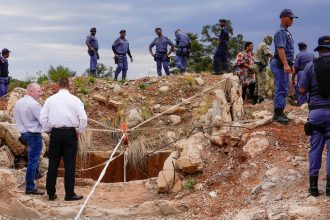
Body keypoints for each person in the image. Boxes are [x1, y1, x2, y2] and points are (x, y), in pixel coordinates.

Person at [40, 77, 87, 201]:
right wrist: (79, 131)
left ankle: (51, 194)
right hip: (70, 134)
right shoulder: (75, 100)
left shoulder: (50, 100)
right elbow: (83, 118)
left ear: (58, 85)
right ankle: (69, 194)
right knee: (70, 165)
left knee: (53, 164)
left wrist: (48, 131)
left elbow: (43, 118)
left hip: (55, 133)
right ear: (68, 86)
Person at [298, 35, 330, 197]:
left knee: (316, 148)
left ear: (319, 50)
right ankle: (329, 188)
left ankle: (313, 188)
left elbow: (302, 90)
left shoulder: (310, 66)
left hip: (316, 113)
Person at [13, 83, 45, 195]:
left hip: (23, 134)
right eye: (38, 91)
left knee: (33, 158)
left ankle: (36, 174)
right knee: (33, 160)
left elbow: (15, 117)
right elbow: (43, 120)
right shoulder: (34, 104)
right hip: (33, 134)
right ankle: (30, 187)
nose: (40, 93)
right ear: (31, 91)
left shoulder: (18, 103)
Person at [270, 9, 298, 125]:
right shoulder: (281, 32)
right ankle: (277, 114)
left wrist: (290, 65)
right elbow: (280, 49)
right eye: (290, 18)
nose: (292, 20)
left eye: (293, 18)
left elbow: (288, 50)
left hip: (284, 64)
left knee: (284, 88)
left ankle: (280, 112)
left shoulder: (286, 32)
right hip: (280, 64)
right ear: (283, 17)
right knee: (280, 88)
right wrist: (286, 64)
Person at [253, 35, 274, 104]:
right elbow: (268, 54)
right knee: (262, 81)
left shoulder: (260, 44)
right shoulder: (265, 45)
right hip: (260, 65)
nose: (271, 41)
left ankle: (255, 99)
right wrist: (276, 58)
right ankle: (262, 98)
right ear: (267, 39)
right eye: (270, 39)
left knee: (258, 82)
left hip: (257, 65)